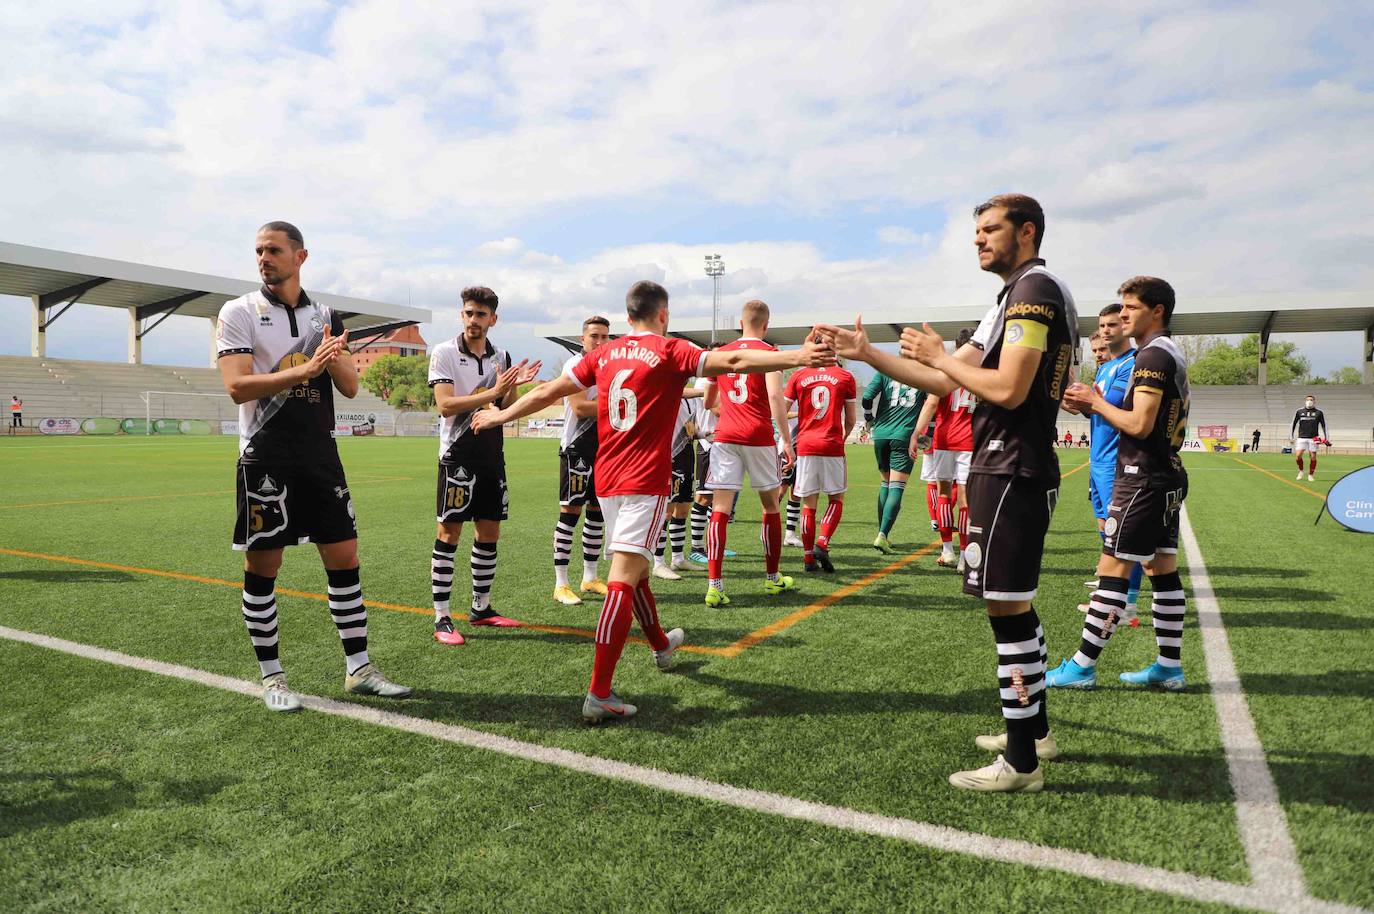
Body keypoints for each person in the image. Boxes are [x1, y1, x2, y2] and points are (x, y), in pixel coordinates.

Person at [472, 280, 834, 722]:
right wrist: (798, 355)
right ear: (664, 315)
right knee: (624, 578)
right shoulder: (671, 350)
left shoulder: (603, 354)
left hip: (607, 480)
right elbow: (736, 358)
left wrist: (502, 414)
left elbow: (552, 392)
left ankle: (661, 644)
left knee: (637, 570)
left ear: (627, 318)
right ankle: (599, 692)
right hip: (645, 482)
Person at [821, 192, 1077, 793]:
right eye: (977, 231)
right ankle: (1035, 735)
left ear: (1028, 232)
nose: (979, 240)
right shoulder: (1013, 296)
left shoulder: (1034, 291)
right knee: (1014, 605)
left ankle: (1021, 764)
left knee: (1007, 608)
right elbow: (943, 377)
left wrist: (940, 354)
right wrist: (869, 355)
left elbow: (1009, 389)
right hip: (1005, 465)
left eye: (991, 230)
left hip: (1010, 464)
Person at [216, 221, 410, 711]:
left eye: (274, 250)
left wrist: (334, 353)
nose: (264, 257)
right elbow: (237, 386)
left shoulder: (326, 315)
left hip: (321, 454)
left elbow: (348, 386)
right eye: (259, 250)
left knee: (344, 558)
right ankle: (273, 677)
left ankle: (359, 669)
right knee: (264, 565)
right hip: (266, 454)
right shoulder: (239, 311)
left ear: (300, 257)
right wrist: (304, 367)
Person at [1054, 277, 1190, 693]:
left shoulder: (1151, 356)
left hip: (1141, 477)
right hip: (1165, 472)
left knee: (1112, 569)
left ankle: (1081, 666)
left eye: (1131, 307)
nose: (1123, 313)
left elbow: (1140, 423)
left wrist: (1095, 402)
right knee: (1160, 569)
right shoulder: (1168, 352)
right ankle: (1169, 667)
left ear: (1157, 311)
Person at [427, 286, 541, 644]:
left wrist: (513, 386)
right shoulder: (444, 352)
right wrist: (494, 392)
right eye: (468, 313)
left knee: (489, 532)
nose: (473, 320)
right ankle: (442, 617)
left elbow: (504, 407)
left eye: (480, 314)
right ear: (462, 315)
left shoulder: (501, 356)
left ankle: (481, 608)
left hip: (492, 455)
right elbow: (445, 405)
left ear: (493, 319)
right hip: (458, 456)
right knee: (450, 533)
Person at [702, 300, 798, 606]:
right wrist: (786, 440)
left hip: (725, 436)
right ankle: (772, 579)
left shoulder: (721, 353)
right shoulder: (770, 353)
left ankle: (714, 585)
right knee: (770, 507)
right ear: (766, 325)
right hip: (757, 437)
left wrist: (729, 412)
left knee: (720, 509)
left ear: (741, 323)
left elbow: (707, 401)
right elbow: (774, 396)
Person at [552, 316, 613, 606]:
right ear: (582, 339)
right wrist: (619, 403)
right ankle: (560, 583)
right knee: (570, 513)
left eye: (604, 337)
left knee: (596, 512)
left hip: (604, 448)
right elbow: (579, 408)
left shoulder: (610, 366)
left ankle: (590, 577)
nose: (600, 342)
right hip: (576, 447)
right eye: (594, 337)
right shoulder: (574, 365)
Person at [784, 362, 858, 573]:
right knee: (836, 498)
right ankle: (822, 543)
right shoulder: (845, 376)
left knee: (809, 504)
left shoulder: (799, 375)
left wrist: (787, 440)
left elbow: (781, 409)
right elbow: (851, 419)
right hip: (832, 444)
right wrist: (841, 438)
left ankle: (808, 558)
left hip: (806, 444)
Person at [914, 328, 977, 570]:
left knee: (943, 495)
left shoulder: (944, 370)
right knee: (964, 500)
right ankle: (964, 559)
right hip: (969, 442)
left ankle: (947, 550)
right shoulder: (980, 372)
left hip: (943, 441)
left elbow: (931, 403)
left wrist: (916, 435)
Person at [861, 370, 927, 554]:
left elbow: (867, 397)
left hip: (881, 433)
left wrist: (868, 418)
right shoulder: (923, 374)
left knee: (885, 483)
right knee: (896, 487)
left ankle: (883, 535)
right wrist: (927, 433)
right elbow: (932, 405)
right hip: (904, 435)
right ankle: (882, 535)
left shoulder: (886, 370)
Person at [652, 391, 705, 579]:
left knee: (683, 509)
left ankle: (678, 558)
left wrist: (706, 433)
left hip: (687, 456)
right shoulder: (670, 391)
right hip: (669, 457)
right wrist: (705, 389)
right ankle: (658, 562)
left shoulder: (691, 401)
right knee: (667, 511)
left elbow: (690, 430)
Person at [1291, 395, 1328, 481]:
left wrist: (1326, 438)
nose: (1309, 401)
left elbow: (1324, 425)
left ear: (1314, 401)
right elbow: (1293, 424)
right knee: (1298, 456)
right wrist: (1291, 436)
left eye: (1311, 400)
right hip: (1301, 437)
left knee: (1313, 457)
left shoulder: (1319, 412)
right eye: (1308, 400)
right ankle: (1301, 471)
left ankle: (1311, 475)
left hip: (1314, 438)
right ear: (1305, 401)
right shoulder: (1299, 412)